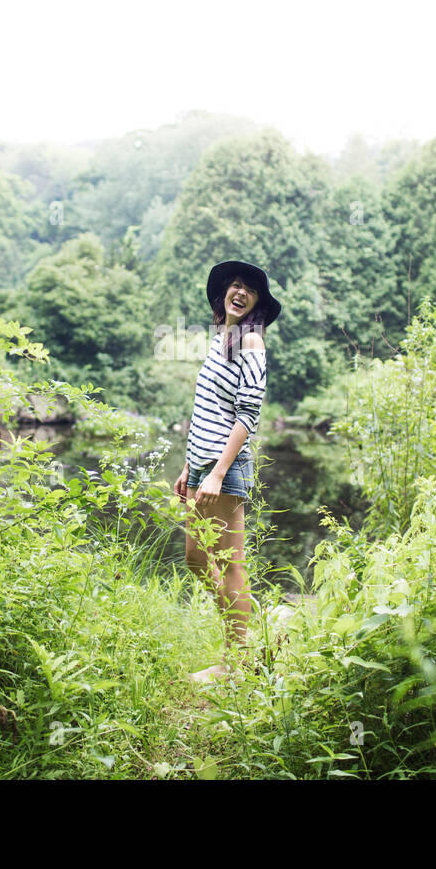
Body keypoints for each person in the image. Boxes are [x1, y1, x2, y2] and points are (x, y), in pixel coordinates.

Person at [174, 260, 281, 683]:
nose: (239, 292)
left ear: (256, 303)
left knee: (229, 561)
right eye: (234, 286)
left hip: (226, 468)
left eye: (249, 290)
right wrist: (190, 465)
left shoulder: (251, 342)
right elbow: (208, 411)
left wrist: (217, 472)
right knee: (196, 558)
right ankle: (248, 645)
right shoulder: (223, 339)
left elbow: (247, 414)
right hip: (202, 466)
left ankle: (238, 660)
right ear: (223, 294)